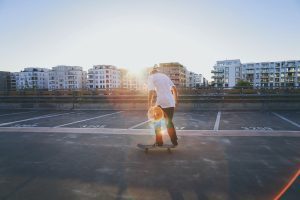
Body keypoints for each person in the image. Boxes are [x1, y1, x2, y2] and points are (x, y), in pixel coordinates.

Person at [147, 66, 178, 146]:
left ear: (151, 73)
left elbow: (151, 91)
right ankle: (174, 141)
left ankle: (159, 142)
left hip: (161, 102)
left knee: (157, 122)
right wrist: (175, 101)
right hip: (171, 102)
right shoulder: (165, 76)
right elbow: (174, 89)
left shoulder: (151, 77)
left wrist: (149, 105)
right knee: (169, 123)